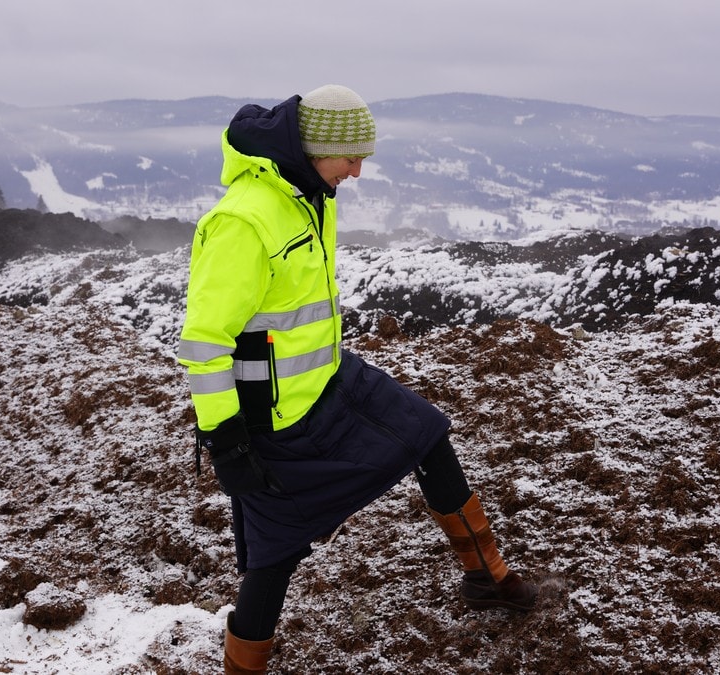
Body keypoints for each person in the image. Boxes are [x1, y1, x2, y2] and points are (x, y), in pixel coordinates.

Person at [177, 84, 538, 674]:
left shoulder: (311, 194)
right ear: (317, 148)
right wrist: (226, 438)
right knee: (278, 550)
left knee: (426, 432)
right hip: (277, 417)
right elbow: (204, 343)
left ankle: (487, 577)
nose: (359, 172)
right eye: (353, 158)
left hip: (330, 379)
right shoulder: (243, 222)